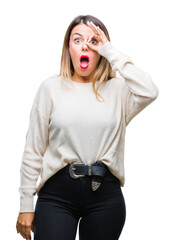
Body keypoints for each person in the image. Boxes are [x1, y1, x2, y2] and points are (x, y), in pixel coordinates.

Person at [16, 14, 159, 240]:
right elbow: (33, 149)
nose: (85, 46)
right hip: (56, 197)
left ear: (101, 50)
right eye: (77, 40)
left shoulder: (118, 91)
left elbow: (149, 91)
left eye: (93, 41)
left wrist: (110, 51)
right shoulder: (50, 88)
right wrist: (26, 203)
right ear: (68, 48)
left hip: (105, 199)